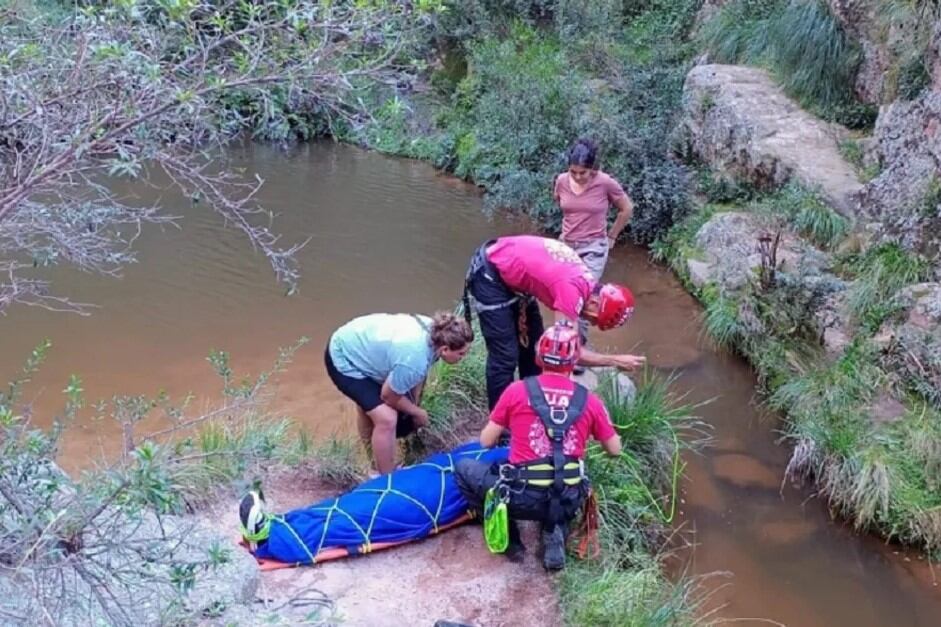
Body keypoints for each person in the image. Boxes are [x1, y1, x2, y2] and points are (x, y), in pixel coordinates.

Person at [454, 321, 622, 570]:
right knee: (561, 479)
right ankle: (555, 529)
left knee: (464, 468)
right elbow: (615, 450)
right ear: (575, 360)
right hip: (568, 497)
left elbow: (486, 441)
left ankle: (511, 540)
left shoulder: (517, 391)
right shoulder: (589, 400)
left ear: (539, 356)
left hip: (520, 498)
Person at [462, 234, 644, 409]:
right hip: (491, 275)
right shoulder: (570, 291)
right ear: (595, 303)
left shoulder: (585, 281)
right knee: (505, 357)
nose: (590, 323)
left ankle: (530, 406)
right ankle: (501, 426)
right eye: (594, 320)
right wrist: (614, 360)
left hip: (513, 276)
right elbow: (567, 353)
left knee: (533, 348)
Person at [325, 311, 474, 474]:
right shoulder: (415, 359)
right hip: (343, 357)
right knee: (386, 418)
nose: (463, 358)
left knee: (370, 408)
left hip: (360, 344)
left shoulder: (437, 331)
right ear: (445, 350)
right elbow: (388, 396)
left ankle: (375, 464)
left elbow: (416, 377)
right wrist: (418, 413)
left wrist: (413, 404)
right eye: (461, 354)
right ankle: (387, 478)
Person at [554, 138, 634, 343]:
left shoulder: (605, 182)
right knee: (563, 294)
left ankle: (578, 349)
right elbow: (563, 206)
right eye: (573, 172)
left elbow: (627, 209)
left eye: (583, 172)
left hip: (593, 248)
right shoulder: (562, 181)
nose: (578, 177)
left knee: (582, 297)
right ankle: (561, 341)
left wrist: (612, 236)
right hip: (567, 246)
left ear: (593, 169)